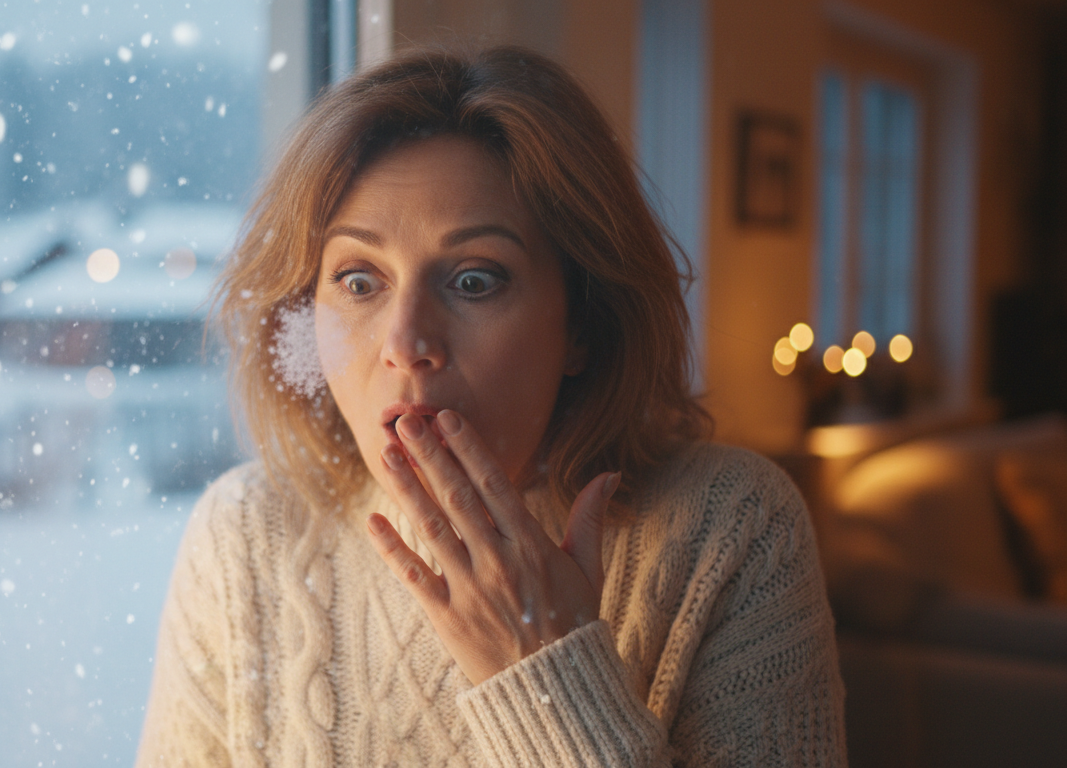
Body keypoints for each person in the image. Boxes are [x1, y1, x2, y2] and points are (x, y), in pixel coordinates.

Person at [136, 46, 847, 767]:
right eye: (358, 281)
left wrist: (545, 676)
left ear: (581, 325)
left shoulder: (730, 529)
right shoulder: (244, 536)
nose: (407, 342)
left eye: (474, 281)